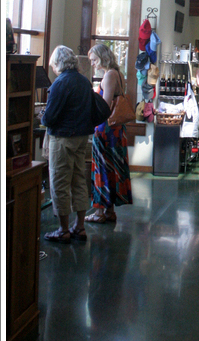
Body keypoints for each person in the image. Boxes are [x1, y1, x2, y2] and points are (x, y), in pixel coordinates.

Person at [41, 46, 96, 243]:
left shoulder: (60, 83)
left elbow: (50, 117)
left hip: (63, 138)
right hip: (82, 137)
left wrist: (43, 117)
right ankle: (79, 226)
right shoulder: (84, 81)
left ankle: (63, 229)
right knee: (79, 180)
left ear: (58, 63)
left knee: (59, 182)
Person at [85, 44, 132, 223]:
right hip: (115, 129)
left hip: (107, 128)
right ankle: (108, 211)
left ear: (103, 58)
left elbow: (105, 104)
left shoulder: (110, 74)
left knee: (102, 168)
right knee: (111, 168)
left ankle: (100, 212)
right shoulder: (117, 73)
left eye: (95, 60)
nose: (93, 64)